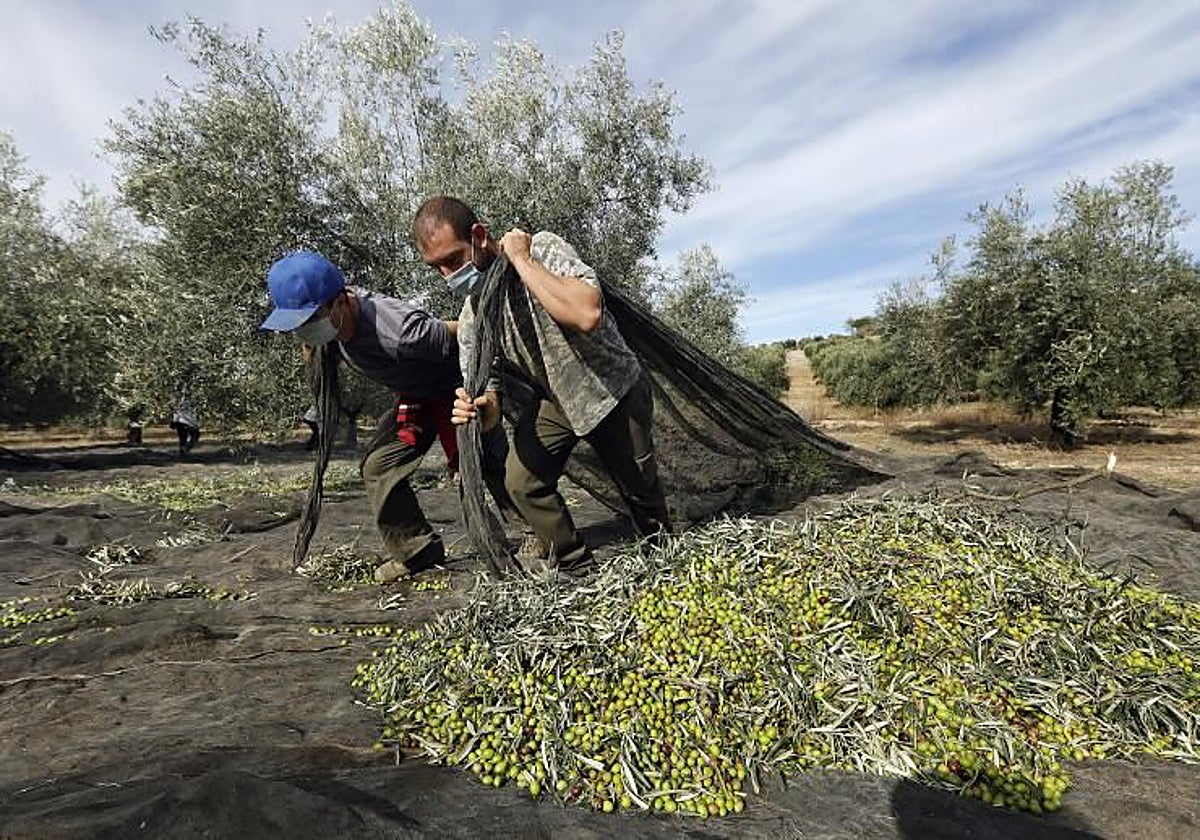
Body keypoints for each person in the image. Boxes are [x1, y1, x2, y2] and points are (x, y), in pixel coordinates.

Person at [413, 196, 670, 575]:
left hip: (612, 388)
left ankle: (662, 557)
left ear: (480, 236)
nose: (448, 275)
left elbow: (586, 313)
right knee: (522, 482)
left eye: (452, 260)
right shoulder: (474, 319)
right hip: (559, 403)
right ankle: (579, 567)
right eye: (436, 268)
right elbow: (492, 404)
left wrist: (520, 260)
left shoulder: (542, 249)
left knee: (639, 488)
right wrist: (478, 409)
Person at [260, 250, 461, 583]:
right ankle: (416, 550)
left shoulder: (401, 331)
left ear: (340, 303)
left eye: (310, 322)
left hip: (454, 387)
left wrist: (488, 397)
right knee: (378, 466)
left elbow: (458, 333)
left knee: (479, 467)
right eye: (298, 325)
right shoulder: (335, 325)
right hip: (416, 397)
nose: (306, 332)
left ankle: (543, 538)